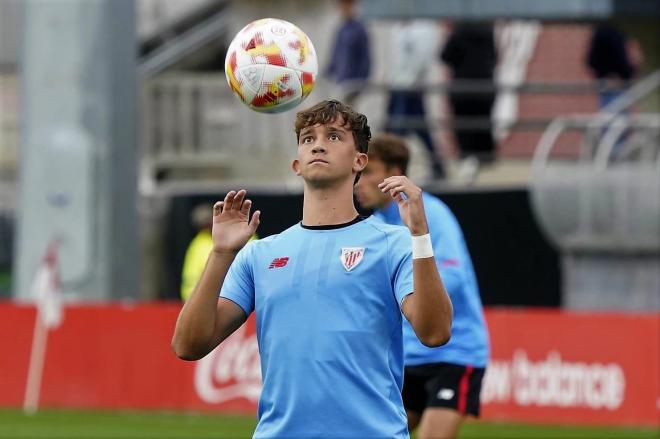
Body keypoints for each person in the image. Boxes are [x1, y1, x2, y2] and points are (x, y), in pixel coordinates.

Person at [171, 100, 453, 438]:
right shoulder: (260, 255)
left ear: (359, 161)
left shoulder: (393, 244)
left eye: (334, 137)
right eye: (308, 138)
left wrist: (420, 235)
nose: (318, 144)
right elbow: (187, 345)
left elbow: (434, 332)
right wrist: (221, 253)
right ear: (296, 164)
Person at [355, 133, 489, 439]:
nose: (358, 183)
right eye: (357, 175)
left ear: (394, 174)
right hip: (406, 356)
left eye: (368, 174)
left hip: (455, 354)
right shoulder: (374, 226)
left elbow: (451, 278)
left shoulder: (430, 213)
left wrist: (395, 298)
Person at [386, 20, 445, 180]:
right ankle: (438, 167)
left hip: (410, 87)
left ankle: (392, 172)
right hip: (398, 86)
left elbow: (421, 59)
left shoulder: (423, 28)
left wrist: (409, 82)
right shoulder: (399, 27)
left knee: (396, 131)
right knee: (419, 128)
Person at [440, 22, 497, 182]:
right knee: (481, 125)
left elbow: (445, 55)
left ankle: (468, 164)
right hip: (484, 86)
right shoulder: (488, 30)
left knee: (464, 127)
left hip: (462, 86)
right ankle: (481, 163)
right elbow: (494, 56)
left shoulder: (459, 31)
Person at [325, 0, 371, 106]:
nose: (344, 8)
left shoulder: (360, 29)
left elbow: (366, 59)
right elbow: (335, 55)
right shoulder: (341, 29)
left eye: (347, 5)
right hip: (339, 84)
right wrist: (327, 72)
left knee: (349, 116)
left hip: (352, 85)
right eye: (342, 5)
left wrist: (360, 82)